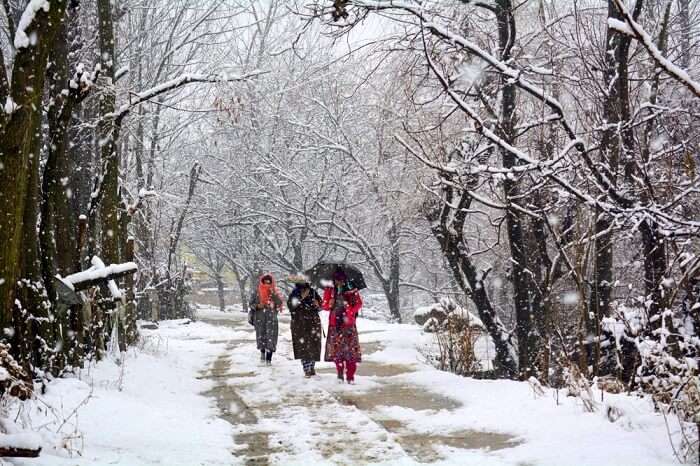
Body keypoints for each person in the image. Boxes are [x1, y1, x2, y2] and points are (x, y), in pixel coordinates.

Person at [322, 269, 363, 384]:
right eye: (336, 280)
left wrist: (349, 309)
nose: (338, 282)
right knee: (337, 352)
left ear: (344, 279)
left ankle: (350, 376)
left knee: (351, 353)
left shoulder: (352, 290)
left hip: (349, 325)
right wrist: (328, 299)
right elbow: (325, 306)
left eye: (340, 279)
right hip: (335, 325)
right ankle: (340, 374)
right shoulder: (330, 290)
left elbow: (359, 304)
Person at [287, 277, 323, 378]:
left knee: (314, 345)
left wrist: (318, 304)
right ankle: (306, 368)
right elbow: (290, 306)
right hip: (299, 323)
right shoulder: (294, 293)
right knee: (303, 346)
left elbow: (321, 306)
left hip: (313, 323)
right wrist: (301, 297)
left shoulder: (314, 292)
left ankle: (311, 367)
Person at [249, 273, 283, 365]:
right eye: (265, 282)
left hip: (271, 319)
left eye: (269, 282)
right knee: (261, 337)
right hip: (260, 318)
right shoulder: (257, 291)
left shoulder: (275, 291)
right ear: (262, 281)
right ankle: (262, 353)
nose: (267, 284)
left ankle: (269, 358)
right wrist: (257, 305)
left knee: (271, 338)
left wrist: (273, 294)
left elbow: (279, 303)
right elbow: (251, 304)